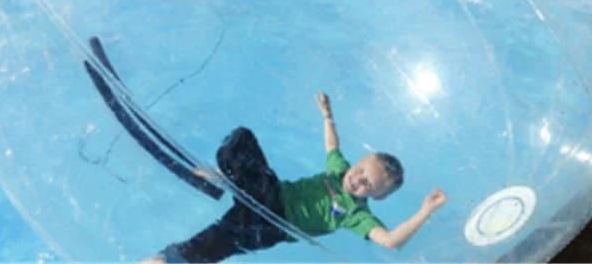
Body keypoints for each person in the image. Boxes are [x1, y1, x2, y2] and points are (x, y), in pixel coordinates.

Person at [144, 92, 447, 263]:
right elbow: (332, 145)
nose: (357, 180)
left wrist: (425, 211)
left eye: (368, 184)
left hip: (273, 224)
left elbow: (391, 242)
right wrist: (328, 115)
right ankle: (219, 182)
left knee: (204, 247)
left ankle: (168, 257)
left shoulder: (356, 215)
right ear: (356, 163)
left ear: (376, 196)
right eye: (360, 171)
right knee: (241, 140)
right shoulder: (339, 170)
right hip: (267, 195)